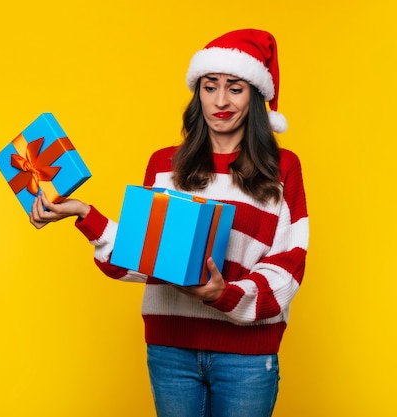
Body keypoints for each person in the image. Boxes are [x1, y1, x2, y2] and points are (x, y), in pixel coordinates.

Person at [29, 29, 309, 417]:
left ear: (256, 97)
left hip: (246, 359)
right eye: (210, 87)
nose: (221, 101)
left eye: (236, 88)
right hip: (170, 354)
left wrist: (222, 294)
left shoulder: (283, 168)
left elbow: (288, 268)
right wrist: (83, 214)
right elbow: (139, 257)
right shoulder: (164, 165)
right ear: (198, 93)